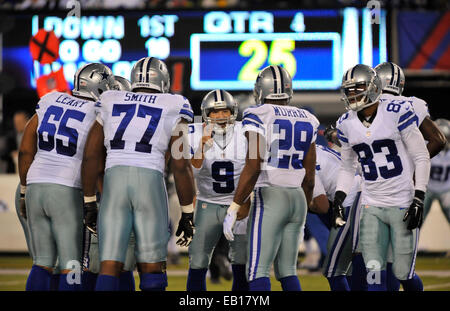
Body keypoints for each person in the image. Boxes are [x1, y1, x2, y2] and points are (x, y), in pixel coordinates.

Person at [81, 57, 195, 291]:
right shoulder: (175, 103)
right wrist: (187, 212)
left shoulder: (111, 98)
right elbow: (180, 165)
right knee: (152, 267)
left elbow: (91, 155)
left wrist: (89, 201)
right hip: (150, 181)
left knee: (110, 265)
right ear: (163, 80)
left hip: (114, 182)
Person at [18, 62, 115, 291]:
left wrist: (23, 191)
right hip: (67, 187)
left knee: (42, 262)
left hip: (35, 184)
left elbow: (25, 149)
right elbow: (96, 159)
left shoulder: (51, 99)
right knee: (71, 263)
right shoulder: (99, 112)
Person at [333, 64, 430, 291]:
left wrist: (419, 197)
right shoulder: (345, 123)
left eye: (358, 87)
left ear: (374, 86)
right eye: (349, 90)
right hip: (371, 206)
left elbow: (421, 156)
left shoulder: (397, 111)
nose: (353, 94)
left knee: (403, 274)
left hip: (402, 204)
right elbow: (347, 167)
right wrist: (339, 198)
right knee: (374, 272)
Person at [223, 65, 319, 291]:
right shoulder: (309, 118)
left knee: (257, 270)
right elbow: (310, 177)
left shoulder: (257, 113)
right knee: (288, 271)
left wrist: (234, 206)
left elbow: (254, 165)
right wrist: (303, 209)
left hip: (270, 195)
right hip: (297, 197)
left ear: (260, 89)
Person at [374, 61, 447, 290]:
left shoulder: (367, 106)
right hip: (401, 190)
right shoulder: (411, 105)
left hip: (373, 191)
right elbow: (437, 140)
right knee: (398, 264)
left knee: (376, 262)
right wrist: (413, 169)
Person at [186, 89, 249, 291]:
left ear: (234, 112)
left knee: (241, 259)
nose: (221, 116)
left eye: (225, 111)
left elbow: (256, 170)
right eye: (215, 112)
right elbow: (190, 172)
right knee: (197, 258)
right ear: (206, 113)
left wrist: (246, 201)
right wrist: (201, 148)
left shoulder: (246, 131)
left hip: (238, 202)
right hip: (208, 202)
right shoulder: (193, 133)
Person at [80, 75, 137, 291]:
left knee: (97, 261)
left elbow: (94, 164)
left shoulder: (101, 118)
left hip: (102, 197)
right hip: (109, 197)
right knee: (112, 261)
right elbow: (96, 166)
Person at [423, 119, 450, 237]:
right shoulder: (426, 146)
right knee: (416, 221)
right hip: (427, 188)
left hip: (446, 189)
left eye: (447, 137)